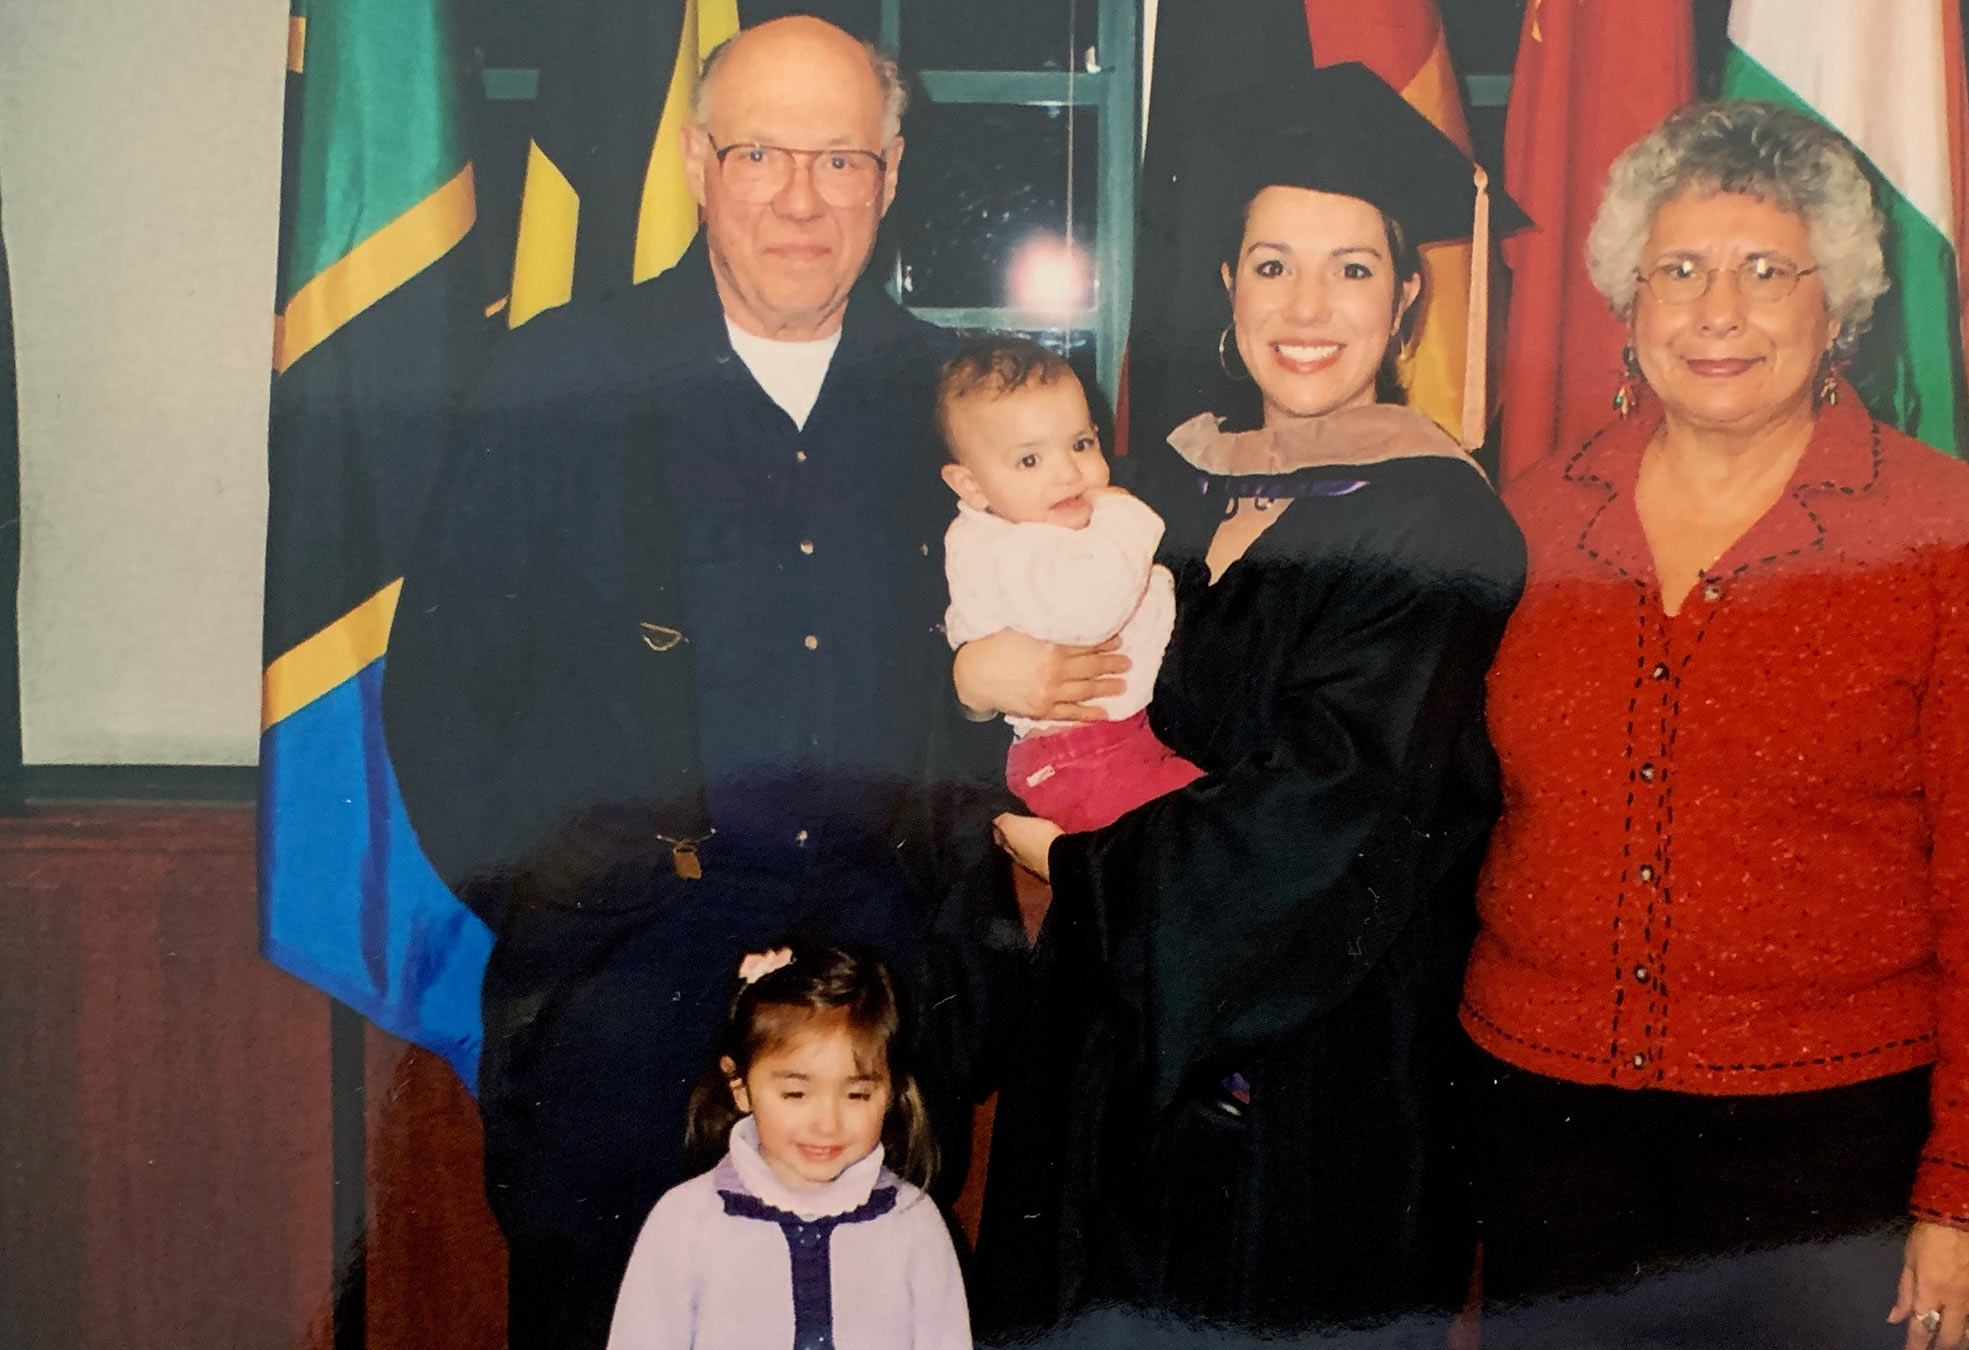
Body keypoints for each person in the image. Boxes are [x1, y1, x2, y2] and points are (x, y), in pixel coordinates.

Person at [379, 18, 1017, 1349]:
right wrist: (569, 901)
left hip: (876, 996)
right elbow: (445, 694)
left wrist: (948, 934)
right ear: (694, 162)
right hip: (622, 988)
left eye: (839, 158)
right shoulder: (556, 377)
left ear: (891, 172)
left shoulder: (961, 397)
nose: (800, 196)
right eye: (762, 153)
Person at [1457, 101, 1969, 1350]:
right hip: (1543, 1126)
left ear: (1835, 305)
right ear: (1629, 302)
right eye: (1678, 270)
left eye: (1764, 271)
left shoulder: (1949, 535)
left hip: (1828, 1150)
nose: (1716, 310)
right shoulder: (1526, 520)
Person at [961, 63, 1530, 1337]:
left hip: (1313, 1060)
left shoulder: (1441, 526)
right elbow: (1020, 653)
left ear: (1409, 299)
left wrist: (1083, 866)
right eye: (1271, 265)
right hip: (1123, 1029)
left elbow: (1338, 802)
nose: (1308, 306)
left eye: (1352, 268)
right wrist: (972, 679)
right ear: (1225, 289)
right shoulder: (1164, 481)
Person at [607, 944, 969, 1350]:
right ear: (739, 1086)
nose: (827, 1124)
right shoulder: (684, 1222)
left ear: (890, 1091)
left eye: (857, 1095)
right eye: (796, 1094)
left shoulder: (913, 1223)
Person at [935, 336, 1201, 835]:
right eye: (1029, 460)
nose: (1068, 472)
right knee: (1190, 834)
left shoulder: (1032, 521)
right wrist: (1124, 515)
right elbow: (1094, 608)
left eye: (1081, 444)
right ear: (970, 486)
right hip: (1076, 759)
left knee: (1210, 811)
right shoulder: (997, 549)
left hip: (1120, 740)